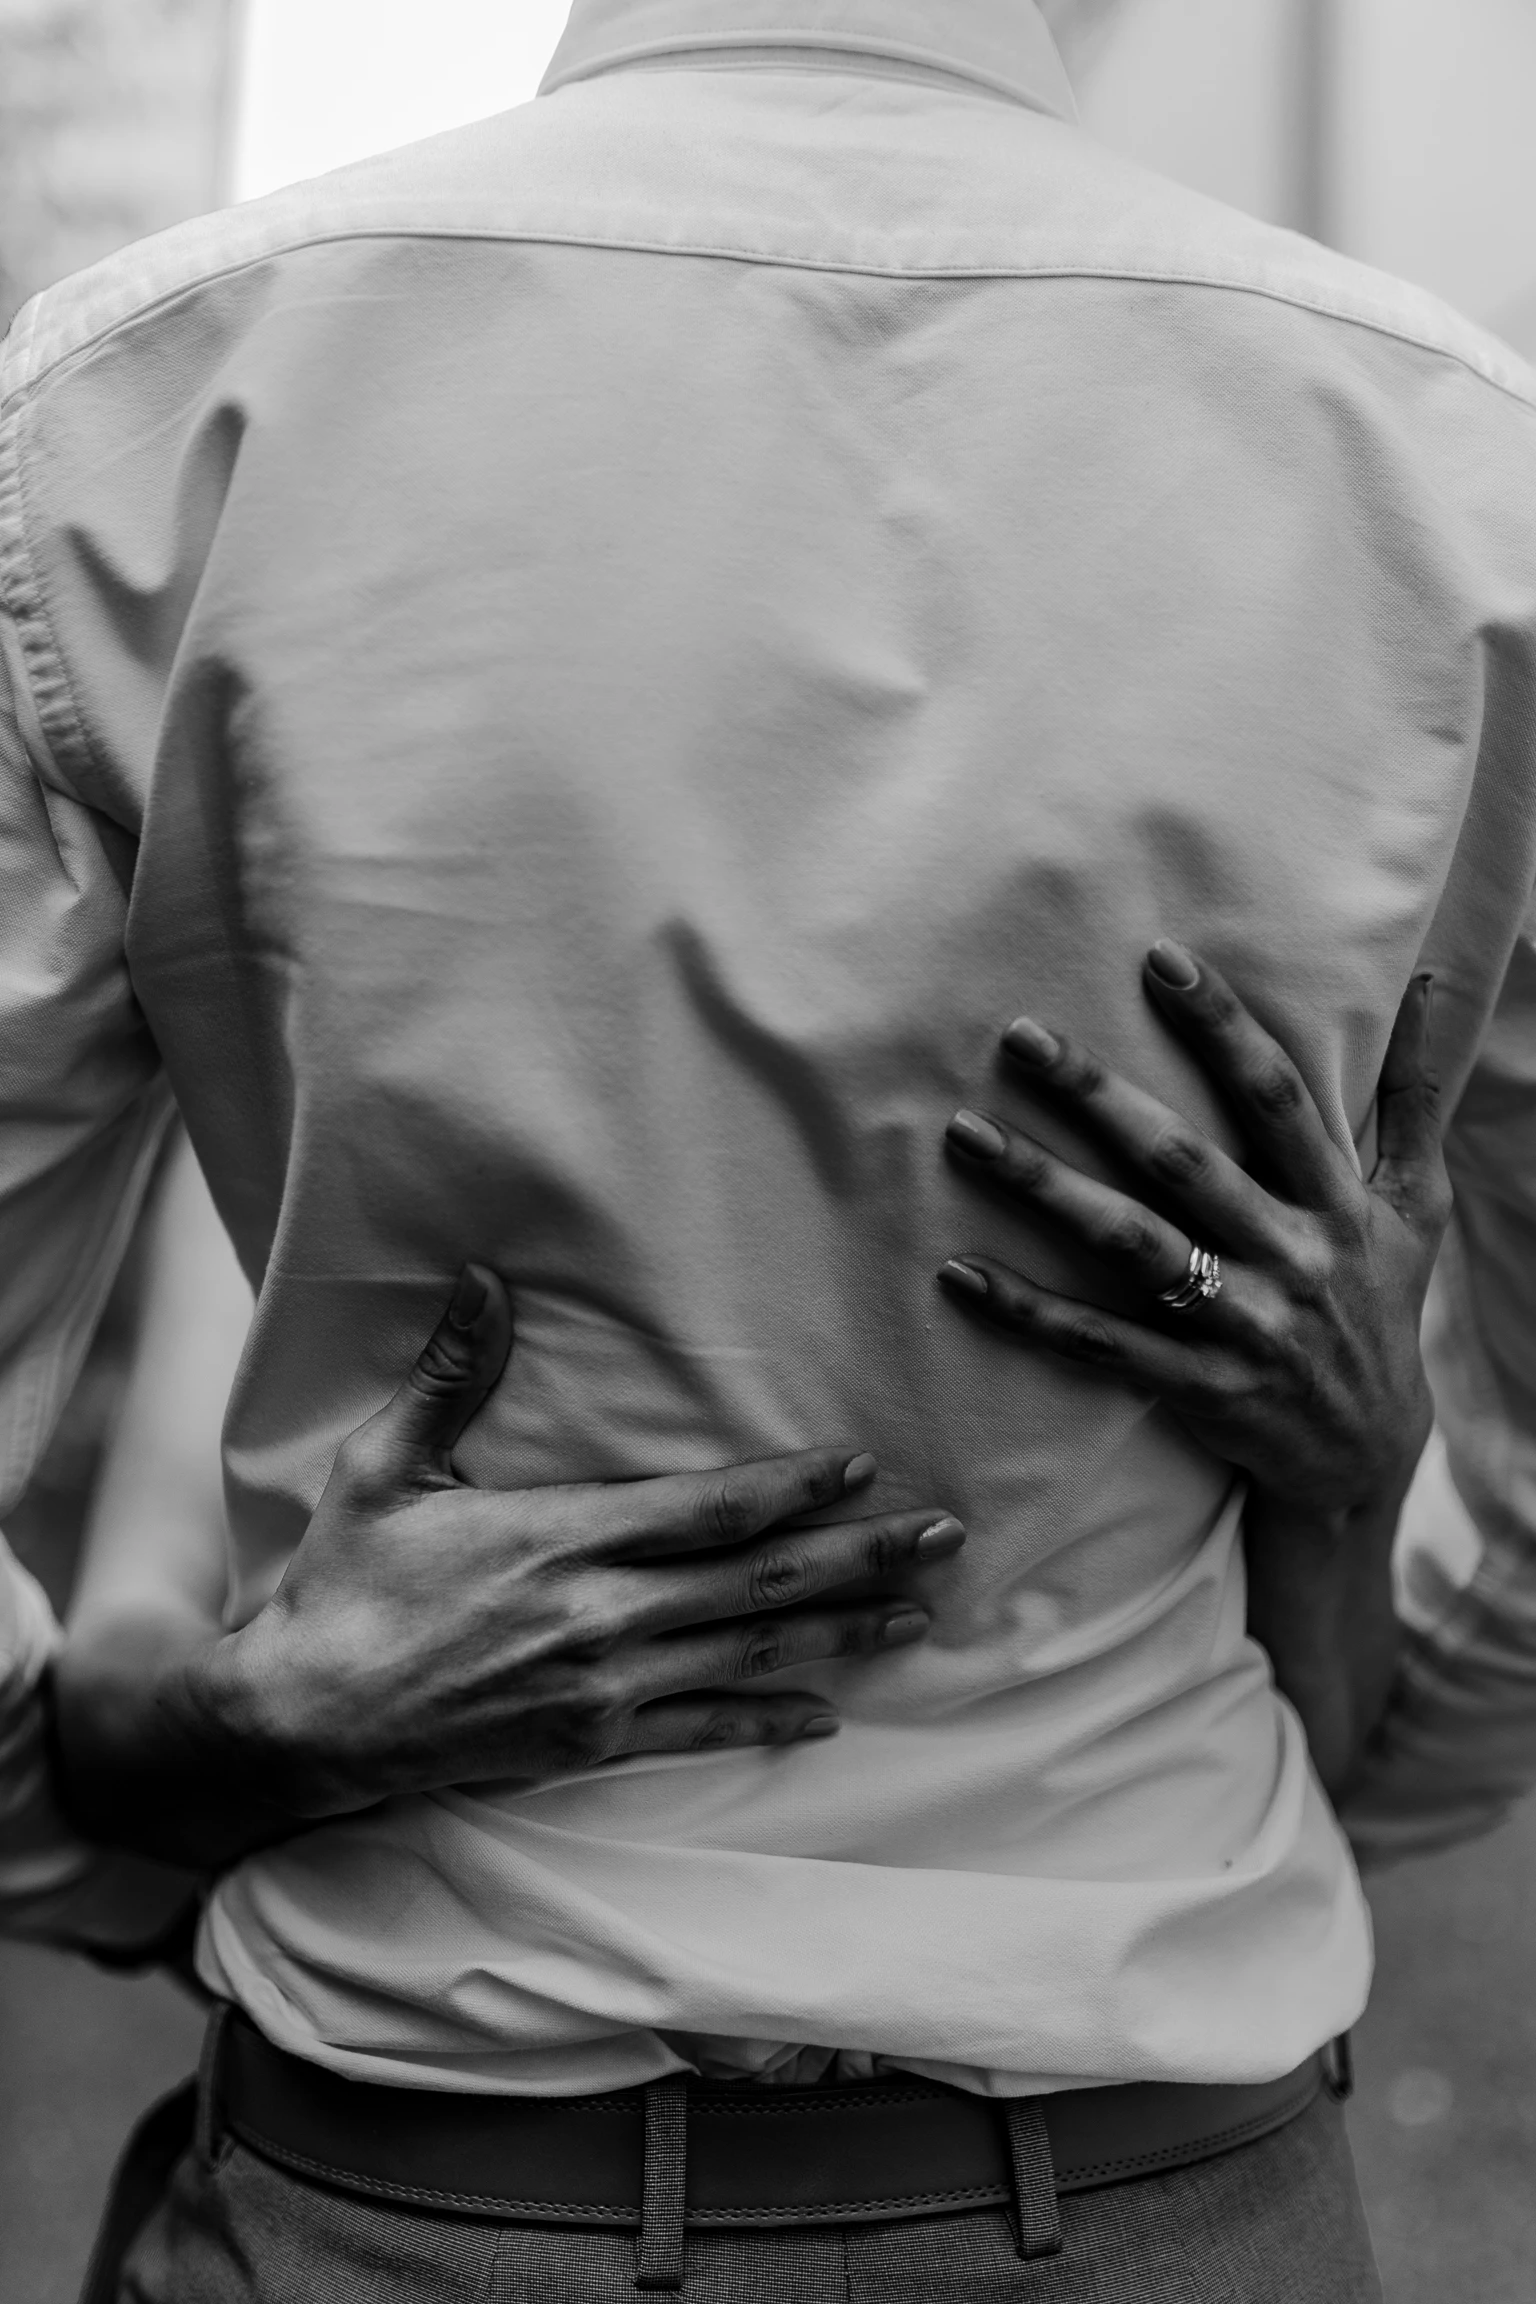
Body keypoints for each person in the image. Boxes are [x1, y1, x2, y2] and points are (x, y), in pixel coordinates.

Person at [3, 0, 1536, 2294]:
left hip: (420, 2187)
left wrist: (134, 1799)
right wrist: (1352, 1745)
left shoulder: (142, 411)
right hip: (1170, 2197)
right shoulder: (1455, 462)